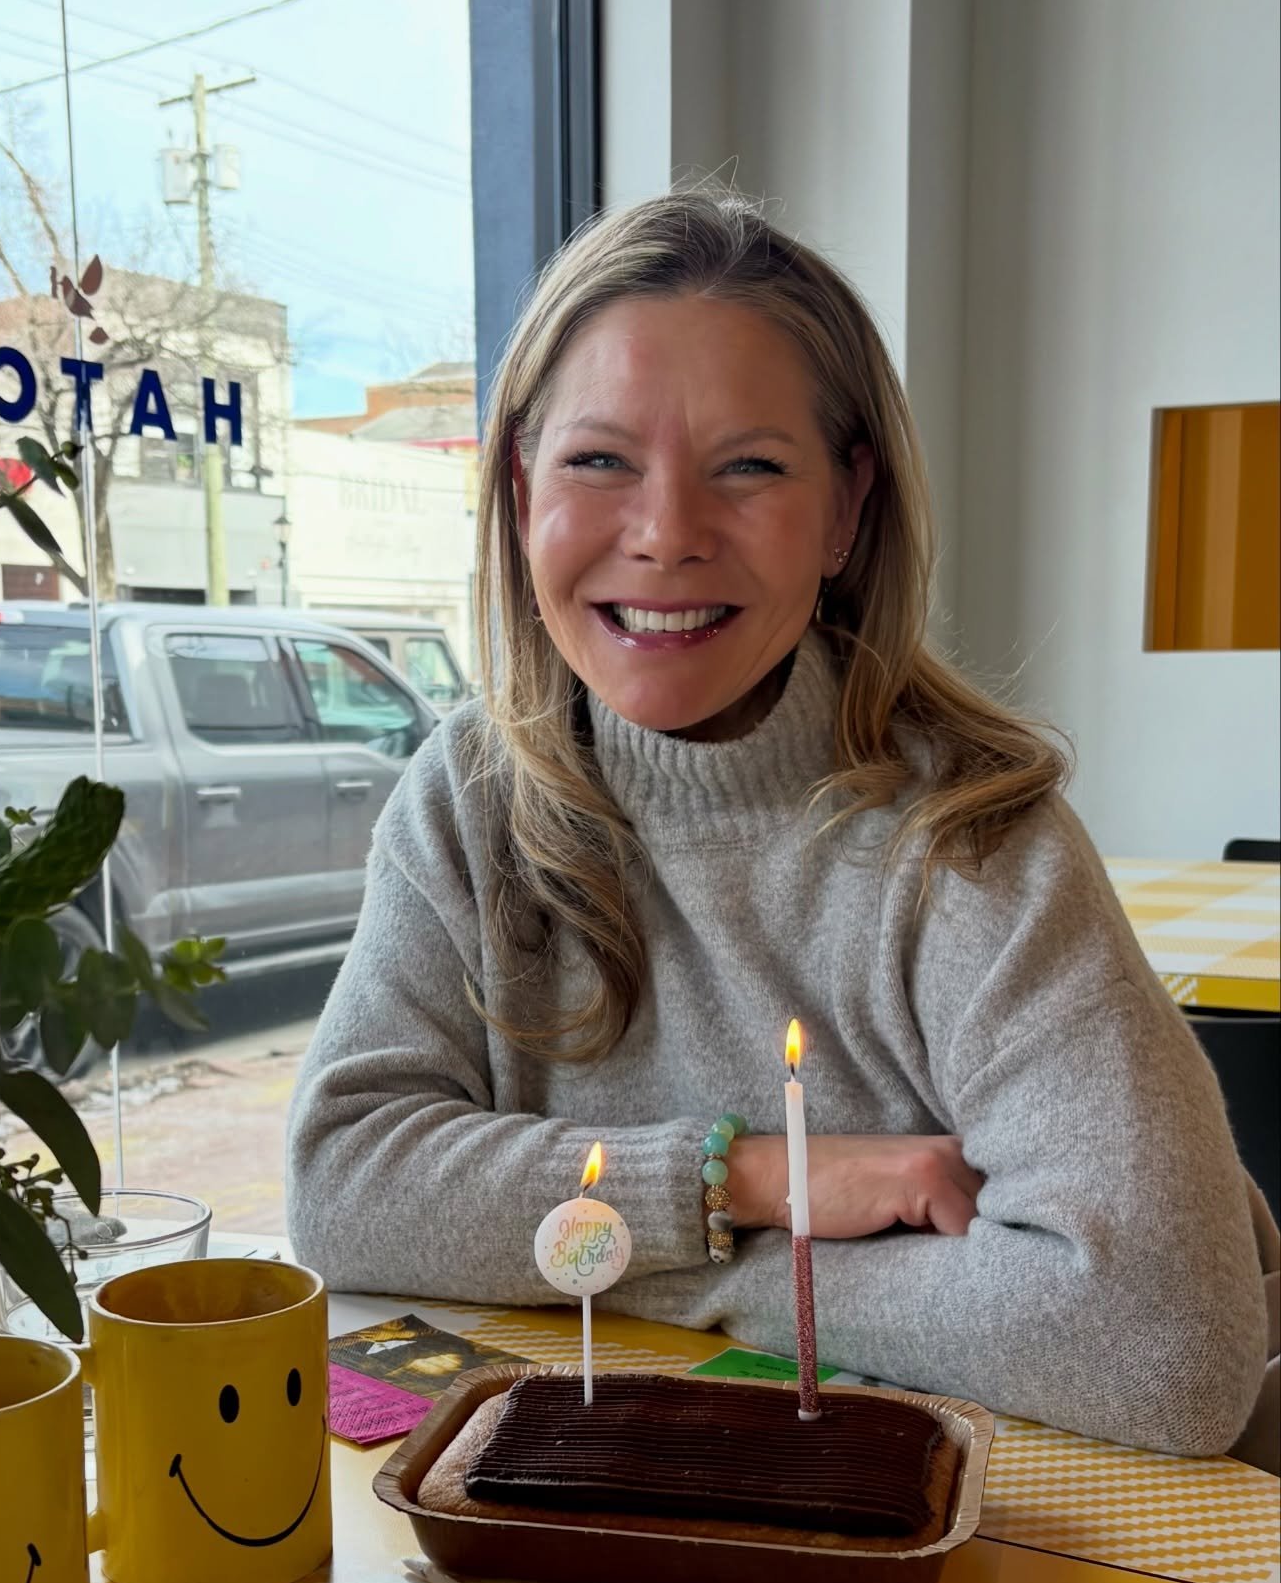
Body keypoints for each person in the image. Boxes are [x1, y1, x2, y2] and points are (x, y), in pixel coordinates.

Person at [287, 187, 1275, 1460]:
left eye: (749, 467)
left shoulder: (974, 842)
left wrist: (614, 1259)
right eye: (599, 461)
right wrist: (755, 1180)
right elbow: (344, 1189)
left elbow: (1165, 1343)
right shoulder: (469, 797)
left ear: (846, 511)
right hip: (625, 1494)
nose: (666, 536)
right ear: (522, 487)